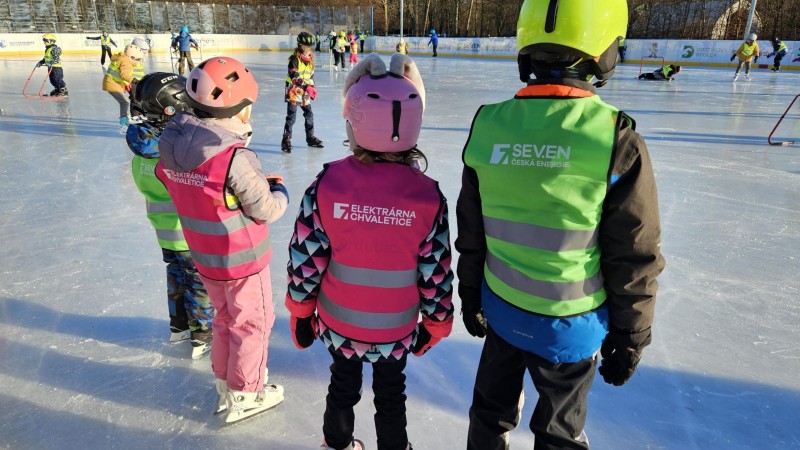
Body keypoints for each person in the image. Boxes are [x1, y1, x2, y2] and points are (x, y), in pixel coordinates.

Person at [456, 0, 665, 449]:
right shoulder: (614, 138)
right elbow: (633, 251)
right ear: (604, 50)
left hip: (504, 313)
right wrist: (632, 334)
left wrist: (470, 291)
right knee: (558, 432)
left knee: (490, 415)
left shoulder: (488, 124)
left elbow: (472, 230)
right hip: (571, 326)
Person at [285, 52, 454, 450]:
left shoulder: (329, 185)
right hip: (395, 330)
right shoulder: (427, 197)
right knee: (391, 397)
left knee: (342, 387)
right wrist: (437, 322)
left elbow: (305, 260)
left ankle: (337, 445)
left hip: (339, 325)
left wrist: (300, 310)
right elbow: (436, 272)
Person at [155, 56, 288, 424]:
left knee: (225, 318)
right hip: (243, 258)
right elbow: (265, 209)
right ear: (238, 110)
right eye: (247, 108)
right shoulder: (233, 156)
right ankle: (247, 392)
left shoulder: (170, 144)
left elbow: (171, 179)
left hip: (205, 255)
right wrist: (281, 192)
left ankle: (225, 382)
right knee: (253, 323)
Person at [125, 72, 214, 358]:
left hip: (164, 233)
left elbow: (144, 184)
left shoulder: (141, 153)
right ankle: (201, 332)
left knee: (175, 275)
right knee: (197, 280)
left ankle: (179, 325)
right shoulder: (173, 157)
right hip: (188, 233)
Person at [281, 32, 324, 153]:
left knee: (309, 113)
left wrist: (312, 87)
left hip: (304, 89)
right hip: (294, 89)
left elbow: (310, 76)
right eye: (306, 46)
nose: (308, 49)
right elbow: (293, 75)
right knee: (292, 116)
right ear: (300, 46)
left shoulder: (310, 60)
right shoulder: (294, 59)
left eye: (310, 47)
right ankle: (286, 140)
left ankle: (310, 137)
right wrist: (305, 86)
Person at [103, 43, 144, 126]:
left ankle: (124, 119)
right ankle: (123, 121)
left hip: (113, 83)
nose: (138, 62)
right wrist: (134, 80)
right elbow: (124, 74)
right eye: (137, 59)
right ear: (132, 57)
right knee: (124, 102)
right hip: (112, 84)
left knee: (124, 102)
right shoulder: (127, 62)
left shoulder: (123, 58)